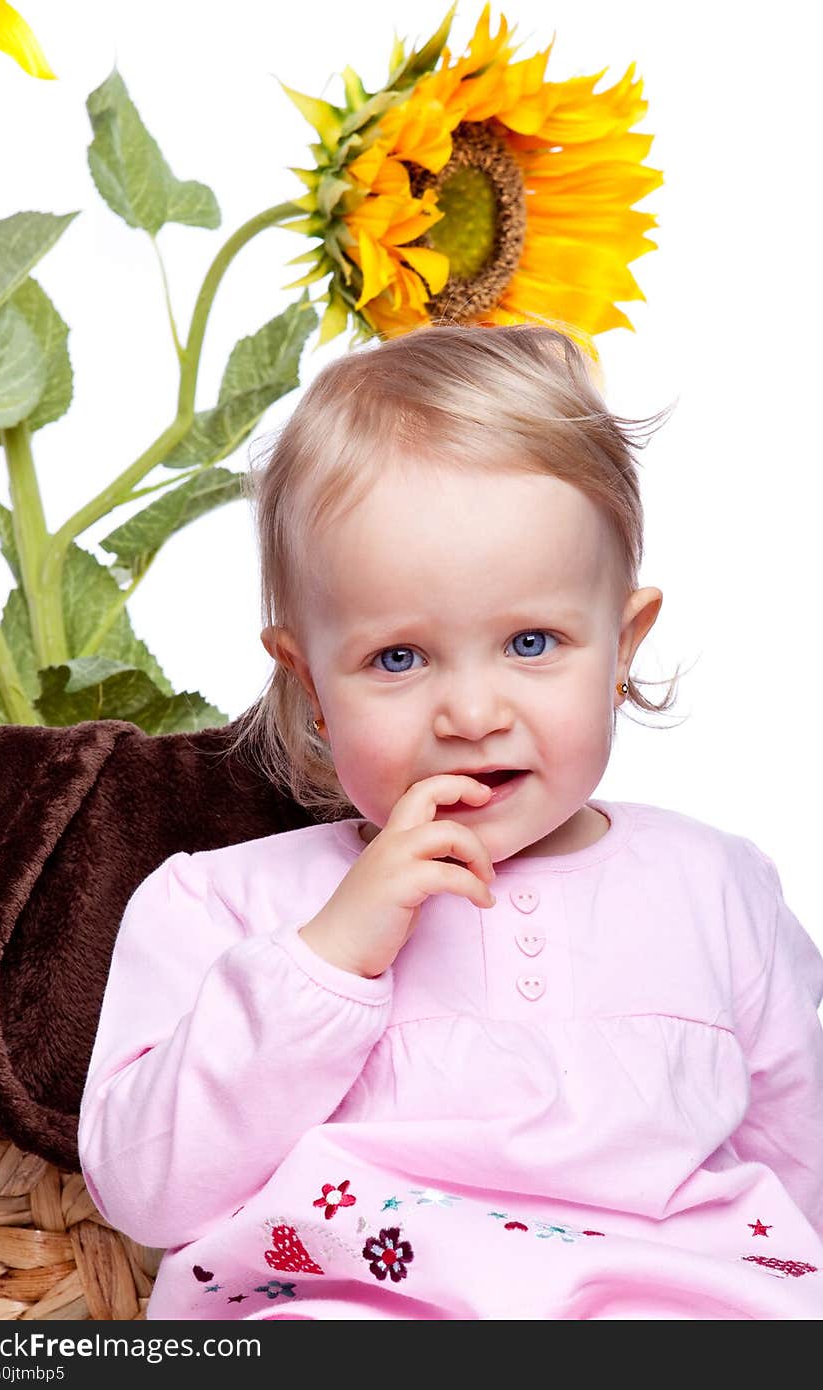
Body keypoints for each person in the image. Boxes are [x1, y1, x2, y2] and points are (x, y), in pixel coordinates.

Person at [78, 324, 823, 1320]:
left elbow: (801, 1163)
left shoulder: (716, 888)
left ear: (620, 644)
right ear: (309, 682)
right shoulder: (226, 905)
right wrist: (327, 960)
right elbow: (144, 1190)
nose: (470, 714)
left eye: (530, 640)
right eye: (397, 658)